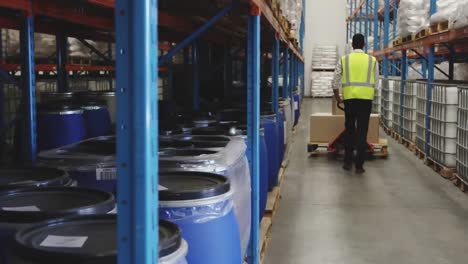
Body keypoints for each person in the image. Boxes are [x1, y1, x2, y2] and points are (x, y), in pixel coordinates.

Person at [332, 34, 379, 174]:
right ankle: (359, 165)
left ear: (352, 45)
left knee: (350, 129)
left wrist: (337, 98)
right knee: (362, 131)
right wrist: (371, 96)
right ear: (364, 45)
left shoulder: (344, 60)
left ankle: (347, 162)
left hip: (350, 100)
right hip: (365, 100)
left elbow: (335, 81)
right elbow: (376, 84)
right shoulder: (372, 60)